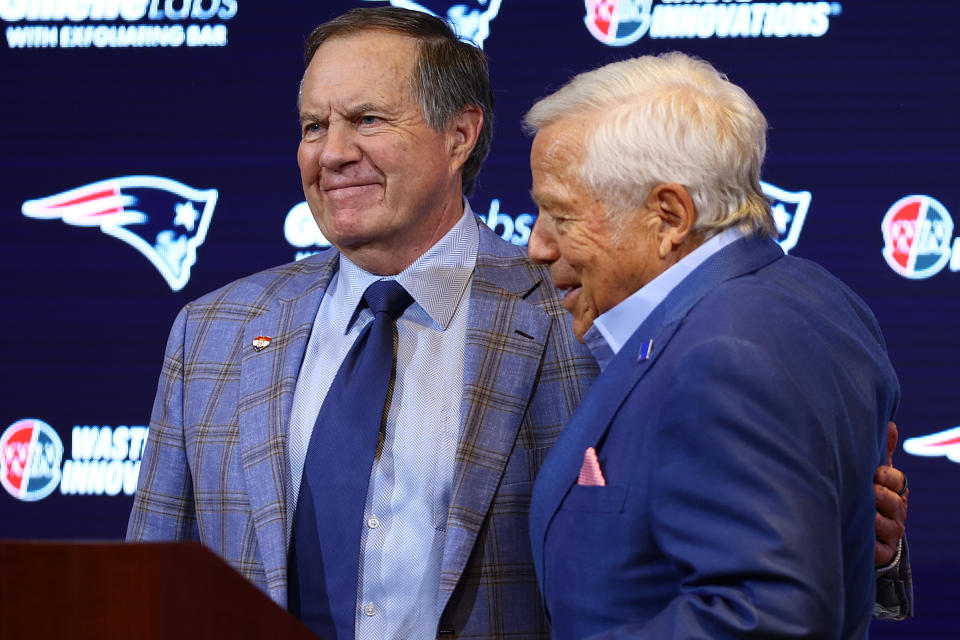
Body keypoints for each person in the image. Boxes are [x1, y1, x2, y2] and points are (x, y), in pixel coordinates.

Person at [127, 7, 909, 640]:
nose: (332, 153)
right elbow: (151, 583)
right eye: (310, 126)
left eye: (366, 119)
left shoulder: (588, 307)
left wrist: (858, 540)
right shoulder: (215, 331)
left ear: (459, 136)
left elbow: (710, 550)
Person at [524, 51, 907, 639]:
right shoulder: (820, 296)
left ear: (670, 216)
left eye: (561, 216)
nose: (537, 246)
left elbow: (766, 619)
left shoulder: (721, 355)